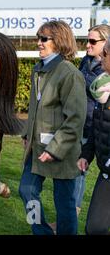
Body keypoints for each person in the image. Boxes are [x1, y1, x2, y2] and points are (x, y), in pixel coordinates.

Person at [19, 20, 87, 235]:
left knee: (64, 204)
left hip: (62, 151)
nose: (38, 42)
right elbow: (36, 109)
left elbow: (75, 120)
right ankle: (42, 232)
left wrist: (54, 149)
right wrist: (26, 134)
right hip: (37, 147)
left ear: (58, 41)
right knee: (26, 190)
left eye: (43, 38)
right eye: (38, 37)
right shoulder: (38, 70)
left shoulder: (70, 74)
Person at [74, 24, 109, 217]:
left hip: (94, 128)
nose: (87, 45)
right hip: (79, 125)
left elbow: (94, 90)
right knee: (77, 169)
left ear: (106, 43)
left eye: (92, 41)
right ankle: (71, 216)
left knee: (80, 171)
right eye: (86, 40)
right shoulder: (85, 61)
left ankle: (72, 217)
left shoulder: (105, 72)